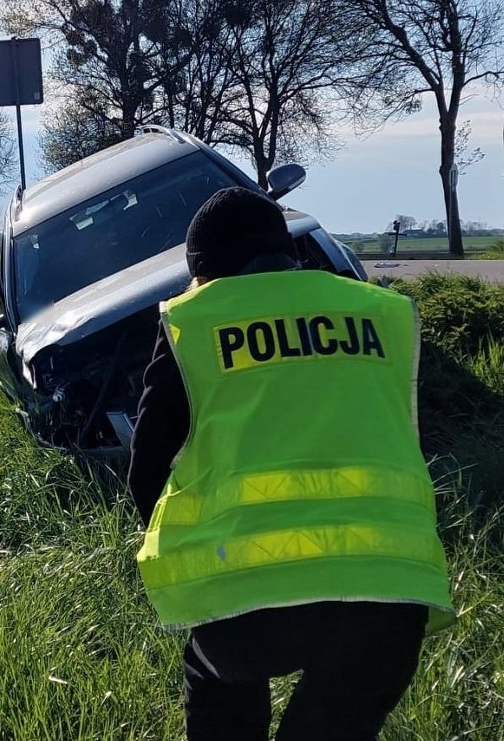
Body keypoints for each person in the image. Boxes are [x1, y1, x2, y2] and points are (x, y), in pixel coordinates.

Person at [128, 186, 455, 741]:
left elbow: (147, 467)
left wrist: (189, 556)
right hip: (391, 598)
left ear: (204, 272)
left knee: (219, 685)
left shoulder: (198, 320)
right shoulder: (381, 312)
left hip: (251, 599)